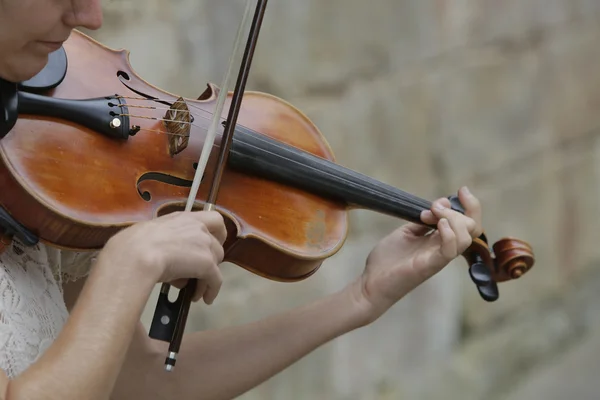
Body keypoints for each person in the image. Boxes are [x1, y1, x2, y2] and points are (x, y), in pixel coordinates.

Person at [0, 1, 484, 399]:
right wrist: (128, 264)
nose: (90, 15)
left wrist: (361, 299)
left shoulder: (40, 168)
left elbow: (138, 383)